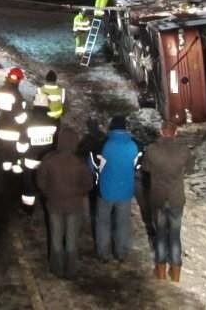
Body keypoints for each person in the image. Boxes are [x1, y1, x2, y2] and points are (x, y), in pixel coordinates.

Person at [36, 127, 93, 279]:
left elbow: (41, 182)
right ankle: (71, 269)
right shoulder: (79, 162)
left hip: (54, 205)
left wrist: (49, 193)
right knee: (71, 240)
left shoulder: (49, 160)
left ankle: (57, 268)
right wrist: (78, 193)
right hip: (74, 206)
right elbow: (88, 184)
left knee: (55, 238)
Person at [142, 121, 193, 282]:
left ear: (160, 132)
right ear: (176, 133)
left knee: (161, 235)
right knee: (175, 235)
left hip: (158, 198)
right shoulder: (184, 151)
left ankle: (161, 270)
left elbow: (145, 169)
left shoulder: (151, 150)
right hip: (176, 198)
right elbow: (190, 168)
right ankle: (176, 271)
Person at [89, 115, 139, 263]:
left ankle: (103, 253)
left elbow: (93, 165)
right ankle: (121, 252)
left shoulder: (103, 144)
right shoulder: (134, 145)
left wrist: (98, 175)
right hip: (126, 191)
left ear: (111, 128)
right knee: (123, 222)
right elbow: (136, 165)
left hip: (105, 190)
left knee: (103, 222)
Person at [17, 89, 59, 211]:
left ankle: (28, 209)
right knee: (46, 184)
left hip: (30, 160)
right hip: (47, 161)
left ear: (35, 104)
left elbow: (22, 143)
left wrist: (21, 156)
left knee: (29, 186)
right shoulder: (53, 121)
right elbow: (55, 143)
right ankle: (46, 205)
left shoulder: (28, 121)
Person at [0, 67, 28, 173]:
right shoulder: (17, 95)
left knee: (4, 151)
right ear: (18, 80)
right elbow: (20, 117)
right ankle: (14, 173)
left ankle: (5, 171)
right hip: (13, 130)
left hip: (1, 128)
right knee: (13, 151)